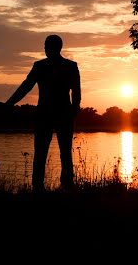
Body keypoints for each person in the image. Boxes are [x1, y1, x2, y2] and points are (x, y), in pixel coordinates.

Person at [5, 34, 81, 192]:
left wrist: (74, 110)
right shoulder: (61, 66)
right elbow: (26, 86)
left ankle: (57, 186)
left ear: (54, 47)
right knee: (53, 153)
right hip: (54, 114)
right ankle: (46, 187)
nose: (45, 49)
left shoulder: (54, 66)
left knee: (56, 153)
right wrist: (9, 103)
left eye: (46, 46)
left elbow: (76, 92)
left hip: (54, 113)